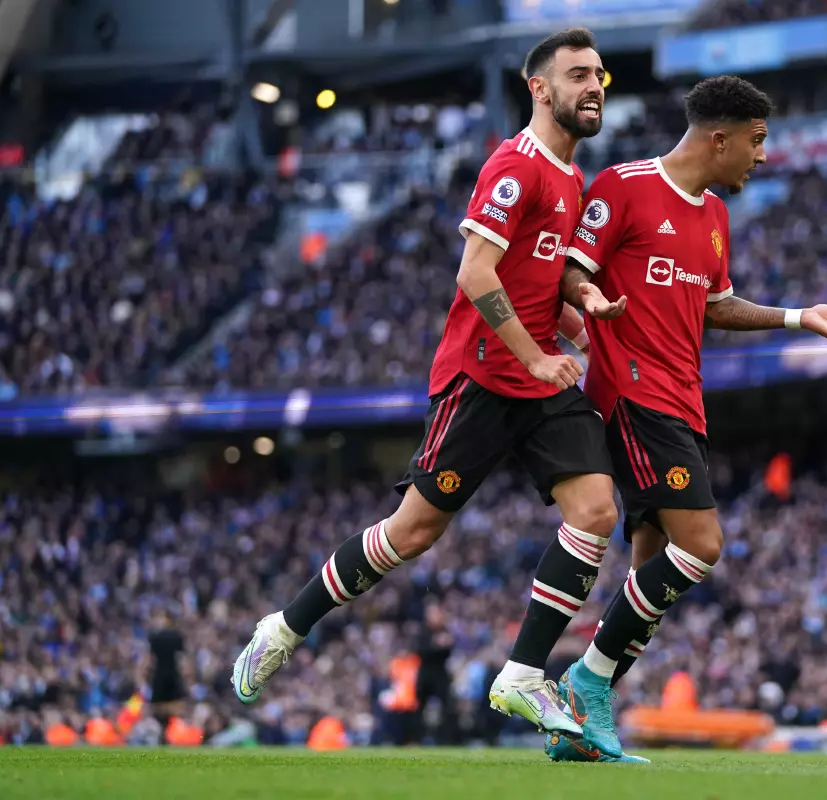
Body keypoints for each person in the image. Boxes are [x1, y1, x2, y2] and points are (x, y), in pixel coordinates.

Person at [232, 27, 630, 741]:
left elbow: (537, 284)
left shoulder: (573, 180)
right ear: (539, 89)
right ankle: (284, 628)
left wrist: (581, 326)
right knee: (412, 532)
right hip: (480, 379)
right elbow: (475, 273)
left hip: (539, 379)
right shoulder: (516, 167)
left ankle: (522, 677)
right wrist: (538, 357)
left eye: (598, 74)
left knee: (597, 511)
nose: (594, 86)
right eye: (578, 75)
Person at [547, 75, 827, 761]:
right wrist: (589, 308)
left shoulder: (716, 217)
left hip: (684, 401)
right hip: (633, 394)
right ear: (719, 139)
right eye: (757, 141)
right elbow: (570, 273)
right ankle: (585, 680)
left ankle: (582, 729)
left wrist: (798, 317)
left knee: (649, 577)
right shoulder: (623, 186)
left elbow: (715, 305)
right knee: (700, 546)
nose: (763, 156)